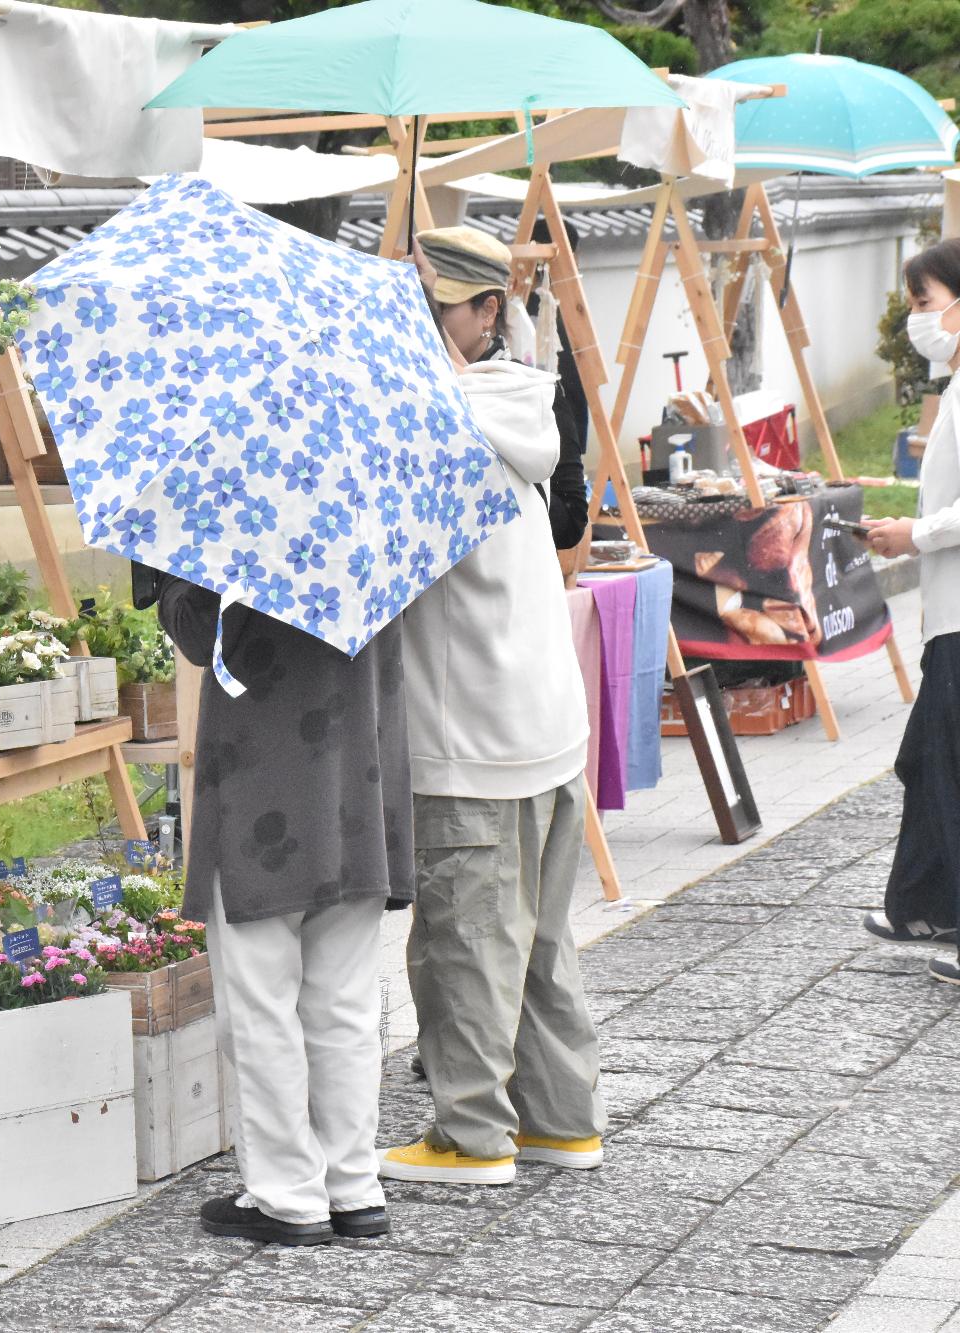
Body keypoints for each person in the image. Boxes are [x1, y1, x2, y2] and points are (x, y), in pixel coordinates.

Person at [379, 227, 604, 1185]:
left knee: (464, 940)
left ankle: (473, 1136)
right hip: (545, 724)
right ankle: (562, 1119)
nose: (424, 332)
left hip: (466, 727)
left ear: (485, 313)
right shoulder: (522, 397)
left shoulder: (426, 424)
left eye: (440, 313)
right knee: (541, 940)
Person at [156, 578, 413, 1244]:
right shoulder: (382, 507)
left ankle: (288, 1193)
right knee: (346, 1002)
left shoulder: (236, 510)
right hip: (358, 777)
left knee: (261, 1005)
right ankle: (352, 1184)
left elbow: (195, 632)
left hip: (260, 784)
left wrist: (164, 576)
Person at [865, 238, 960, 982]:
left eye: (925, 304)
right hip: (945, 610)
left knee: (944, 764)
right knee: (929, 760)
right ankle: (924, 903)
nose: (918, 321)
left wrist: (916, 532)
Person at [418, 224, 589, 553]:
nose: (426, 321)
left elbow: (571, 524)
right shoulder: (417, 392)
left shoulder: (531, 393)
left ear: (488, 311)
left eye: (439, 310)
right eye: (421, 307)